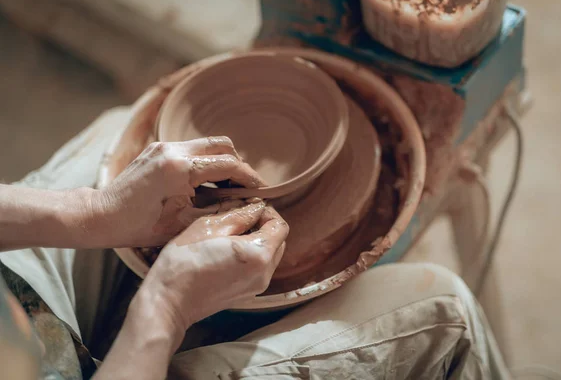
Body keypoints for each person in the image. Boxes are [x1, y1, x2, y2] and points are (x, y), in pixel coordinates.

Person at [0, 107, 511, 380]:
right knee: (448, 310)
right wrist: (163, 310)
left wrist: (93, 213)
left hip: (18, 315)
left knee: (123, 129)